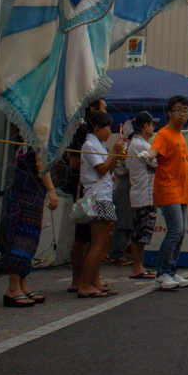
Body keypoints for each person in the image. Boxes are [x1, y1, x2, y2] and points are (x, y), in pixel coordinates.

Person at [147, 95, 188, 291]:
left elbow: (180, 156)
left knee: (180, 233)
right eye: (178, 110)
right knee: (175, 230)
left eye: (185, 110)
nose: (182, 114)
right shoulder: (164, 133)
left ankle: (172, 270)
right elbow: (154, 151)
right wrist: (147, 154)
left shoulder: (180, 135)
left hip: (182, 190)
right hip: (168, 189)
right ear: (170, 112)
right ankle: (162, 273)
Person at [4, 139, 58, 307]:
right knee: (23, 237)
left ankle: (22, 284)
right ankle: (13, 287)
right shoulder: (39, 135)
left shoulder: (27, 136)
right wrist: (51, 189)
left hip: (26, 189)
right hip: (28, 191)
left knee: (29, 238)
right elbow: (41, 165)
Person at [76, 111, 125, 298]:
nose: (108, 132)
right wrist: (113, 153)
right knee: (98, 243)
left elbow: (106, 170)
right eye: (107, 128)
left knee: (100, 243)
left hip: (103, 195)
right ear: (97, 127)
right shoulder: (89, 144)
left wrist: (114, 157)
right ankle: (85, 284)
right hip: (98, 198)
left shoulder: (98, 145)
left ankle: (94, 281)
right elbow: (101, 168)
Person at [66, 98, 105, 294]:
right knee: (84, 237)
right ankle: (79, 280)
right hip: (85, 191)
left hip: (95, 190)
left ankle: (92, 279)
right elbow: (75, 163)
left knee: (95, 239)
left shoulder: (97, 140)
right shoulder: (82, 133)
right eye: (102, 111)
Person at [125, 111, 158, 280]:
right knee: (140, 233)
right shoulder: (141, 146)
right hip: (143, 196)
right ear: (145, 126)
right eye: (152, 124)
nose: (154, 127)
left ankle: (139, 266)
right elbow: (157, 165)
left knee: (141, 233)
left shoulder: (136, 143)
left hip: (141, 194)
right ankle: (136, 267)